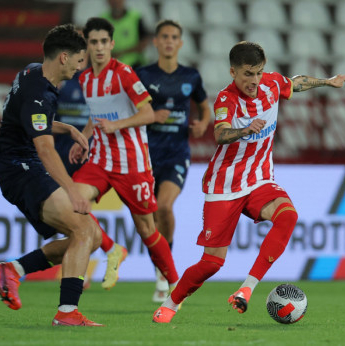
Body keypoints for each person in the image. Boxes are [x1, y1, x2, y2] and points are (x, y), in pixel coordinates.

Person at [152, 41, 345, 323]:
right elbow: (219, 134)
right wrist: (245, 129)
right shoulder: (225, 99)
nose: (254, 81)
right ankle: (170, 304)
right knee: (211, 263)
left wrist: (328, 82)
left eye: (258, 73)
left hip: (259, 179)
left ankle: (246, 289)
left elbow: (296, 83)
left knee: (288, 216)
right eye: (247, 74)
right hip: (225, 186)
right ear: (233, 72)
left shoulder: (270, 85)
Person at [0, 24, 104, 326]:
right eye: (80, 60)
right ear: (64, 58)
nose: (82, 67)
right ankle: (67, 312)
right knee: (82, 228)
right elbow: (44, 148)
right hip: (20, 168)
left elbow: (30, 120)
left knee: (91, 237)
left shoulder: (32, 72)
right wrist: (72, 190)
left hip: (23, 166)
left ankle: (13, 270)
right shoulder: (40, 92)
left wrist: (66, 126)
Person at [69, 17, 179, 292]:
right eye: (93, 42)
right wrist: (84, 137)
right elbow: (98, 116)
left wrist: (116, 125)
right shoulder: (85, 79)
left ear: (112, 44)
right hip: (100, 159)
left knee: (147, 231)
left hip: (132, 162)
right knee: (73, 203)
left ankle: (175, 283)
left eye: (104, 42)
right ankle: (111, 248)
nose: (99, 47)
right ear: (87, 45)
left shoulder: (124, 73)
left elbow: (148, 113)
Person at [136, 19, 211, 303]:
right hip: (145, 155)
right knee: (150, 217)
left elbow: (205, 109)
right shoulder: (141, 75)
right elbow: (130, 110)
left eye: (174, 37)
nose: (169, 41)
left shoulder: (191, 76)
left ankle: (164, 275)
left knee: (164, 207)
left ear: (180, 43)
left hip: (176, 153)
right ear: (156, 42)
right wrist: (150, 116)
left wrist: (203, 124)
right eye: (164, 36)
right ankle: (161, 270)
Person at [54, 43, 127, 291]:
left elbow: (101, 115)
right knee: (70, 211)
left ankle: (84, 267)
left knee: (74, 207)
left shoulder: (94, 83)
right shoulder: (61, 82)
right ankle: (107, 250)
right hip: (60, 149)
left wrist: (88, 140)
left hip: (85, 149)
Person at [100, 0, 149, 69]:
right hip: (110, 67)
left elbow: (143, 43)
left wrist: (121, 53)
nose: (115, 2)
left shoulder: (136, 17)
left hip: (135, 66)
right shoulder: (102, 19)